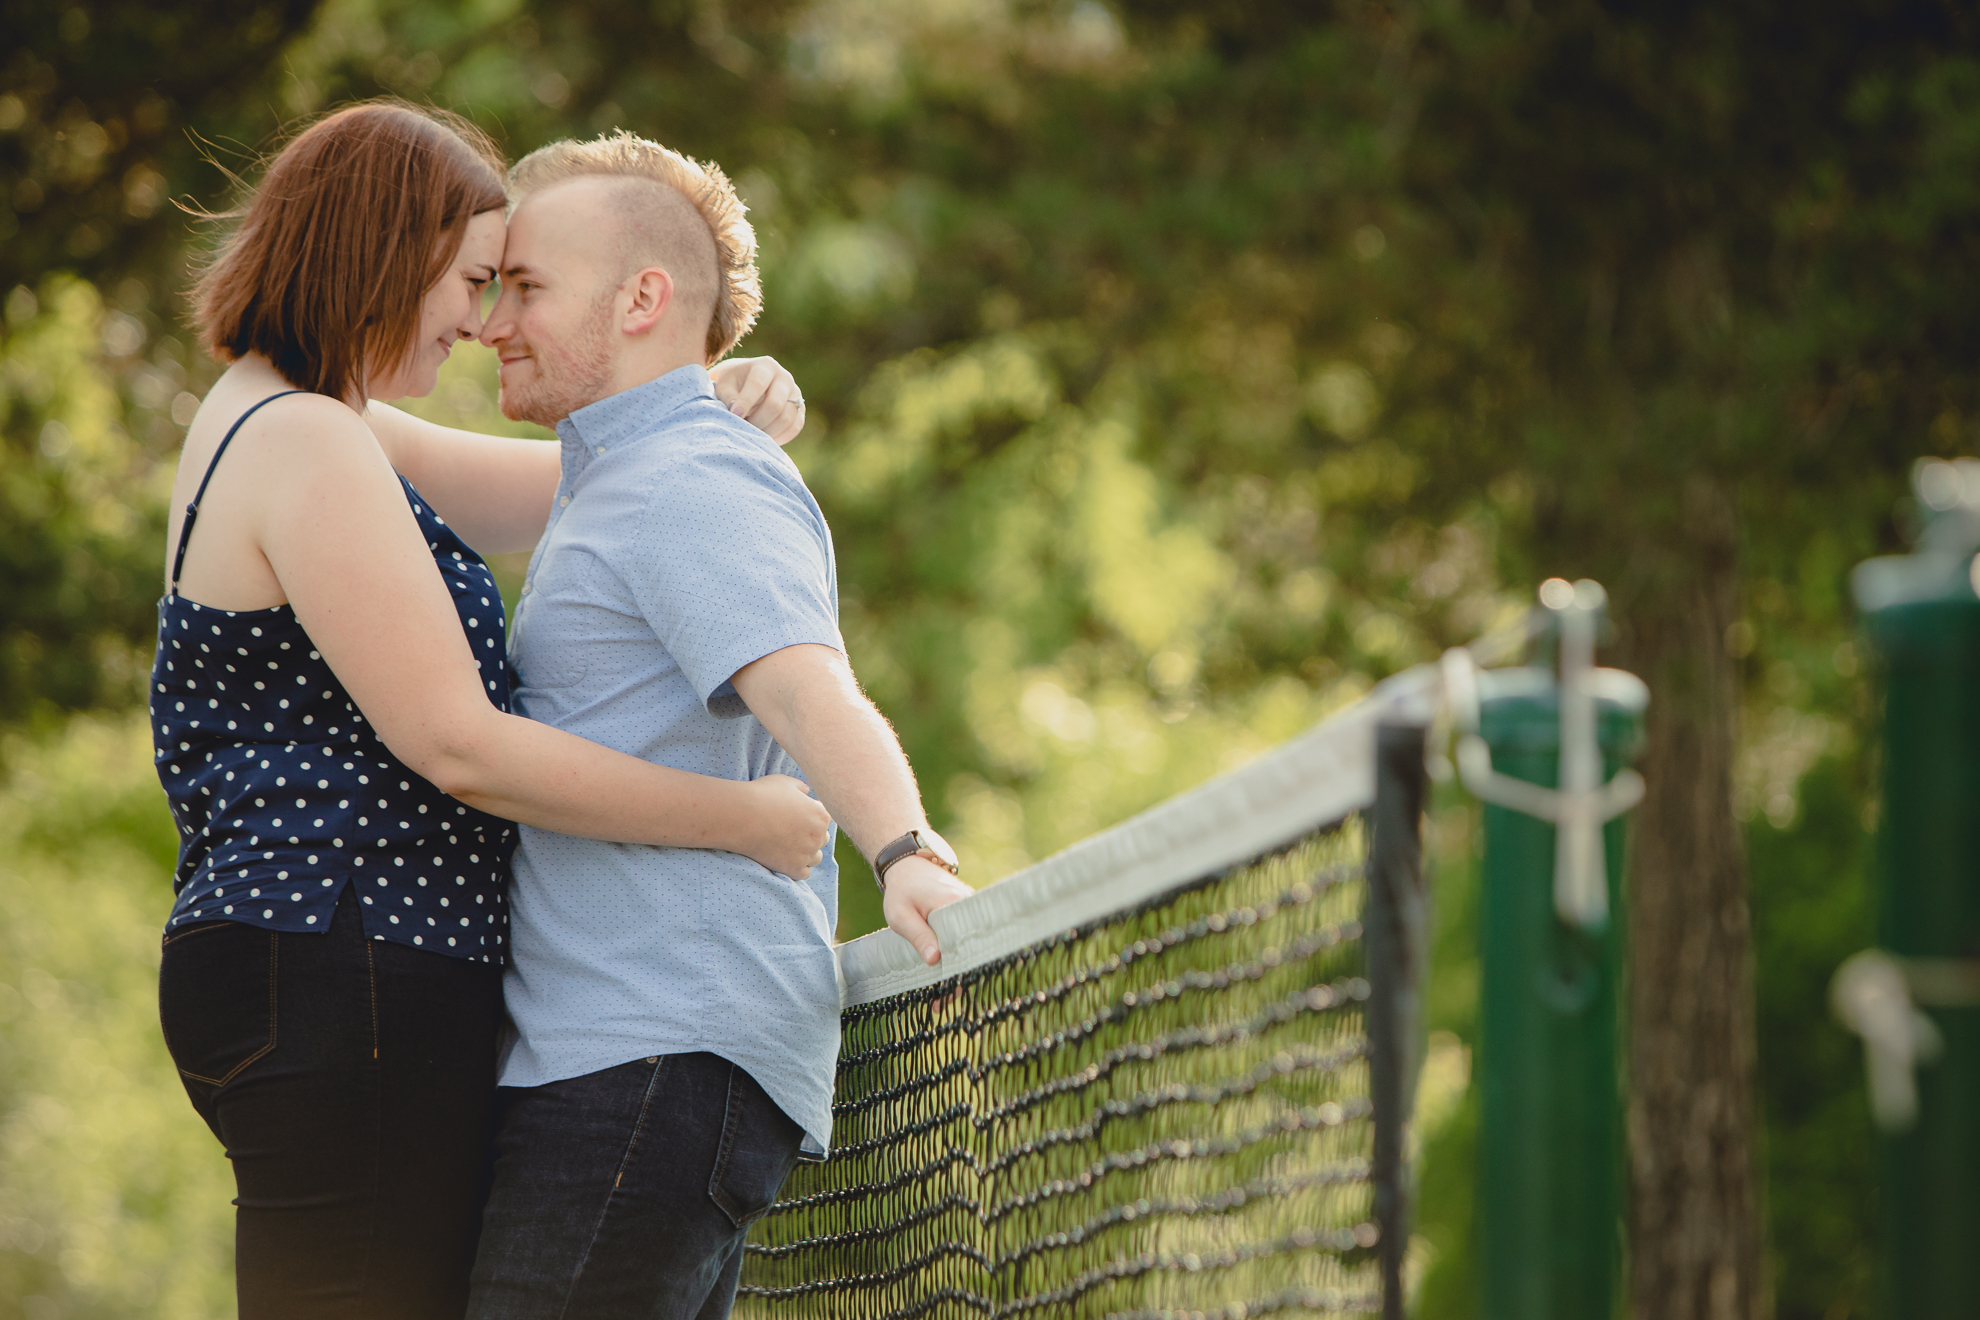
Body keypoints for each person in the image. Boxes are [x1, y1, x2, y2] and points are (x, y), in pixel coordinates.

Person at [152, 101, 830, 1320]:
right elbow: (460, 745)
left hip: (312, 964)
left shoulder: (310, 420)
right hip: (345, 958)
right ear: (385, 254)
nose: (479, 321)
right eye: (470, 280)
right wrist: (742, 818)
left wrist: (700, 390)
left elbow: (596, 484)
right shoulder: (306, 439)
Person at [379, 130, 969, 1320]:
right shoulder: (623, 478)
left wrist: (906, 851)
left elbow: (807, 688)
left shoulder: (689, 478)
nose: (494, 321)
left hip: (650, 1057)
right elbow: (329, 432)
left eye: (528, 288)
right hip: (629, 1059)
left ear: (643, 298)